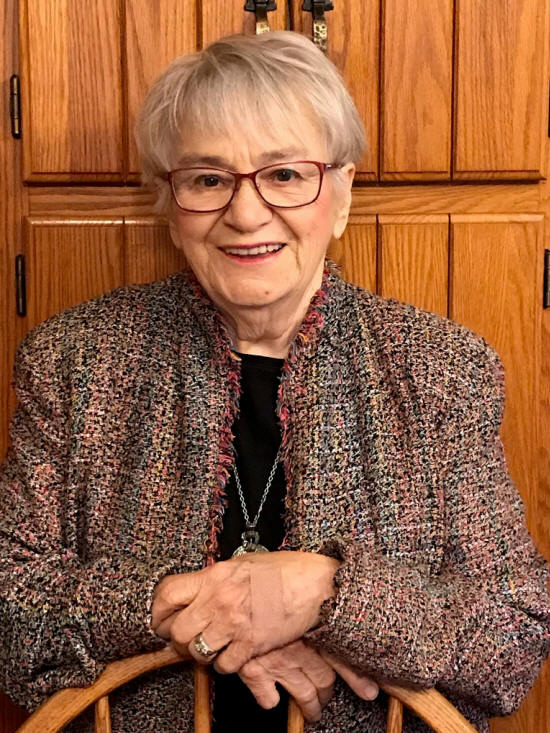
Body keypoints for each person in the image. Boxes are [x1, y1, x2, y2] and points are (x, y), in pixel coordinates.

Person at [0, 30, 549, 733]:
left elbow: (512, 636)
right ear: (170, 203)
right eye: (208, 179)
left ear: (341, 194)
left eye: (285, 174)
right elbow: (11, 610)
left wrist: (326, 592)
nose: (246, 212)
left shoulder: (438, 367)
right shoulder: (75, 360)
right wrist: (186, 609)